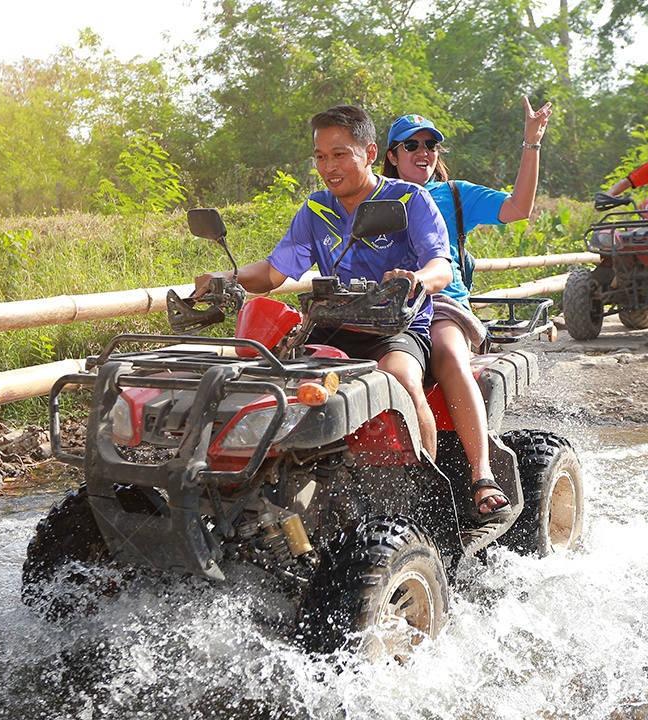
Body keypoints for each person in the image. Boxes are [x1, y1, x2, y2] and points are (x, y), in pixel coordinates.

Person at [194, 105, 454, 461]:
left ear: (370, 154)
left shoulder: (410, 199)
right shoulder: (316, 209)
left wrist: (415, 278)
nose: (329, 167)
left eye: (340, 155)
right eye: (320, 156)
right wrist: (225, 277)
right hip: (331, 326)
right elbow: (273, 273)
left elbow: (442, 268)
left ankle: (421, 488)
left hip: (395, 329)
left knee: (401, 379)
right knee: (267, 379)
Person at [381, 98, 552, 522]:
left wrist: (531, 144)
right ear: (390, 155)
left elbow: (518, 209)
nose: (423, 152)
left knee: (445, 350)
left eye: (430, 145)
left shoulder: (455, 194)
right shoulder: (375, 197)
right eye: (410, 145)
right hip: (380, 305)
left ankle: (480, 474)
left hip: (438, 301)